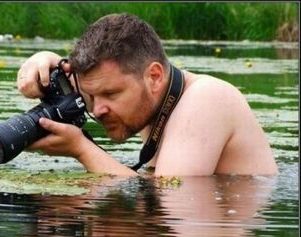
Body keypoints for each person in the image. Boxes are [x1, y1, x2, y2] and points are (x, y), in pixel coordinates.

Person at [17, 13, 278, 177]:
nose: (97, 110)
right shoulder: (152, 98)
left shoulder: (207, 99)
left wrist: (81, 149)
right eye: (90, 97)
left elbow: (170, 200)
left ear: (154, 76)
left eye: (111, 93)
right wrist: (44, 62)